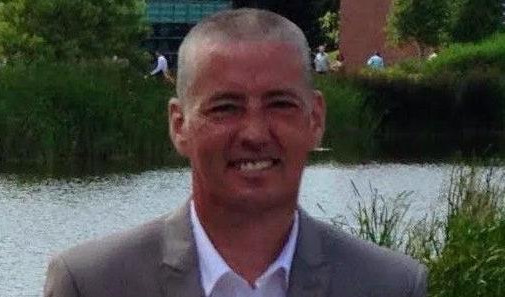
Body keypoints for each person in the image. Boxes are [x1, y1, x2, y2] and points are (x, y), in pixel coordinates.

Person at [43, 8, 427, 297]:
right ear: (179, 125)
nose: (255, 133)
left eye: (280, 104)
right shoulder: (92, 284)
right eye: (225, 107)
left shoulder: (390, 285)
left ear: (316, 119)